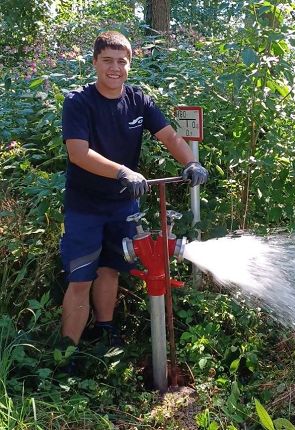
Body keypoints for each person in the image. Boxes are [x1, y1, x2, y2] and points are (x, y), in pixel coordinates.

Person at [60, 30, 208, 348]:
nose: (115, 68)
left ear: (130, 64)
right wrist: (123, 171)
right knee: (81, 278)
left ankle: (106, 330)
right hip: (85, 206)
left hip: (123, 204)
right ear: (95, 62)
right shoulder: (79, 102)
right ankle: (67, 353)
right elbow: (78, 153)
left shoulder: (138, 99)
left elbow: (169, 136)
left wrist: (190, 163)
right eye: (108, 61)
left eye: (122, 62)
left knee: (111, 269)